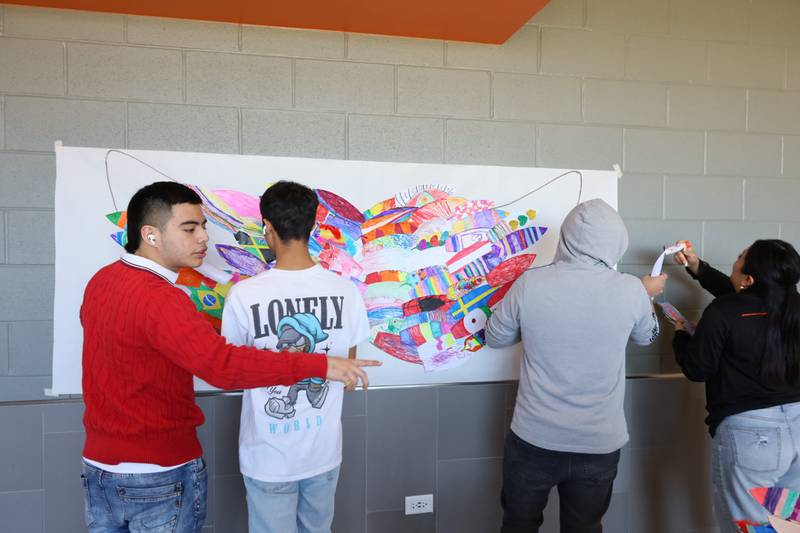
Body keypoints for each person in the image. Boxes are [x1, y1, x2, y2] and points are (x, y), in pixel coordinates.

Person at [79, 181, 379, 533]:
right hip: (157, 471)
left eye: (204, 227)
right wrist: (320, 364)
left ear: (267, 227)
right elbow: (224, 365)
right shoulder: (162, 299)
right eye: (190, 228)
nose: (204, 238)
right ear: (151, 234)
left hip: (100, 467)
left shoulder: (102, 281)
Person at [485, 199, 666, 533]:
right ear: (617, 242)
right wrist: (647, 298)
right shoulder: (630, 290)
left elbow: (495, 338)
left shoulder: (529, 283)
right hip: (598, 442)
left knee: (518, 526)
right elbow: (648, 337)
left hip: (534, 438)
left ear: (565, 237)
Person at [221, 181, 370, 533]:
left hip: (266, 455)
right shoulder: (346, 292)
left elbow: (231, 370)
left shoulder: (243, 295)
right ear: (313, 226)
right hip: (322, 453)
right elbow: (347, 377)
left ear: (267, 227)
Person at [671, 239, 800, 532]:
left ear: (749, 279)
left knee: (751, 528)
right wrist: (697, 267)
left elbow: (697, 367)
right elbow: (745, 299)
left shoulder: (723, 312)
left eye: (741, 256)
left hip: (752, 437)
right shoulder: (791, 305)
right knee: (787, 525)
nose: (737, 256)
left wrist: (681, 336)